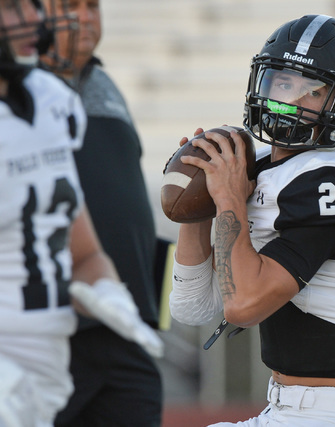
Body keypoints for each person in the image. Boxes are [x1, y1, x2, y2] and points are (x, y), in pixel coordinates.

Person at [169, 14, 335, 426]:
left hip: (333, 413)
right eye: (282, 83)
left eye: (312, 90)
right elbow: (192, 307)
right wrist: (197, 206)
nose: (289, 100)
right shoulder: (253, 170)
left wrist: (228, 199)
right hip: (286, 407)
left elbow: (245, 305)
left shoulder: (334, 183)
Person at [0, 1, 163, 426]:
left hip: (64, 356)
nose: (35, 19)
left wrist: (110, 291)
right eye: (13, 7)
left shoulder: (50, 101)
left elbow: (84, 246)